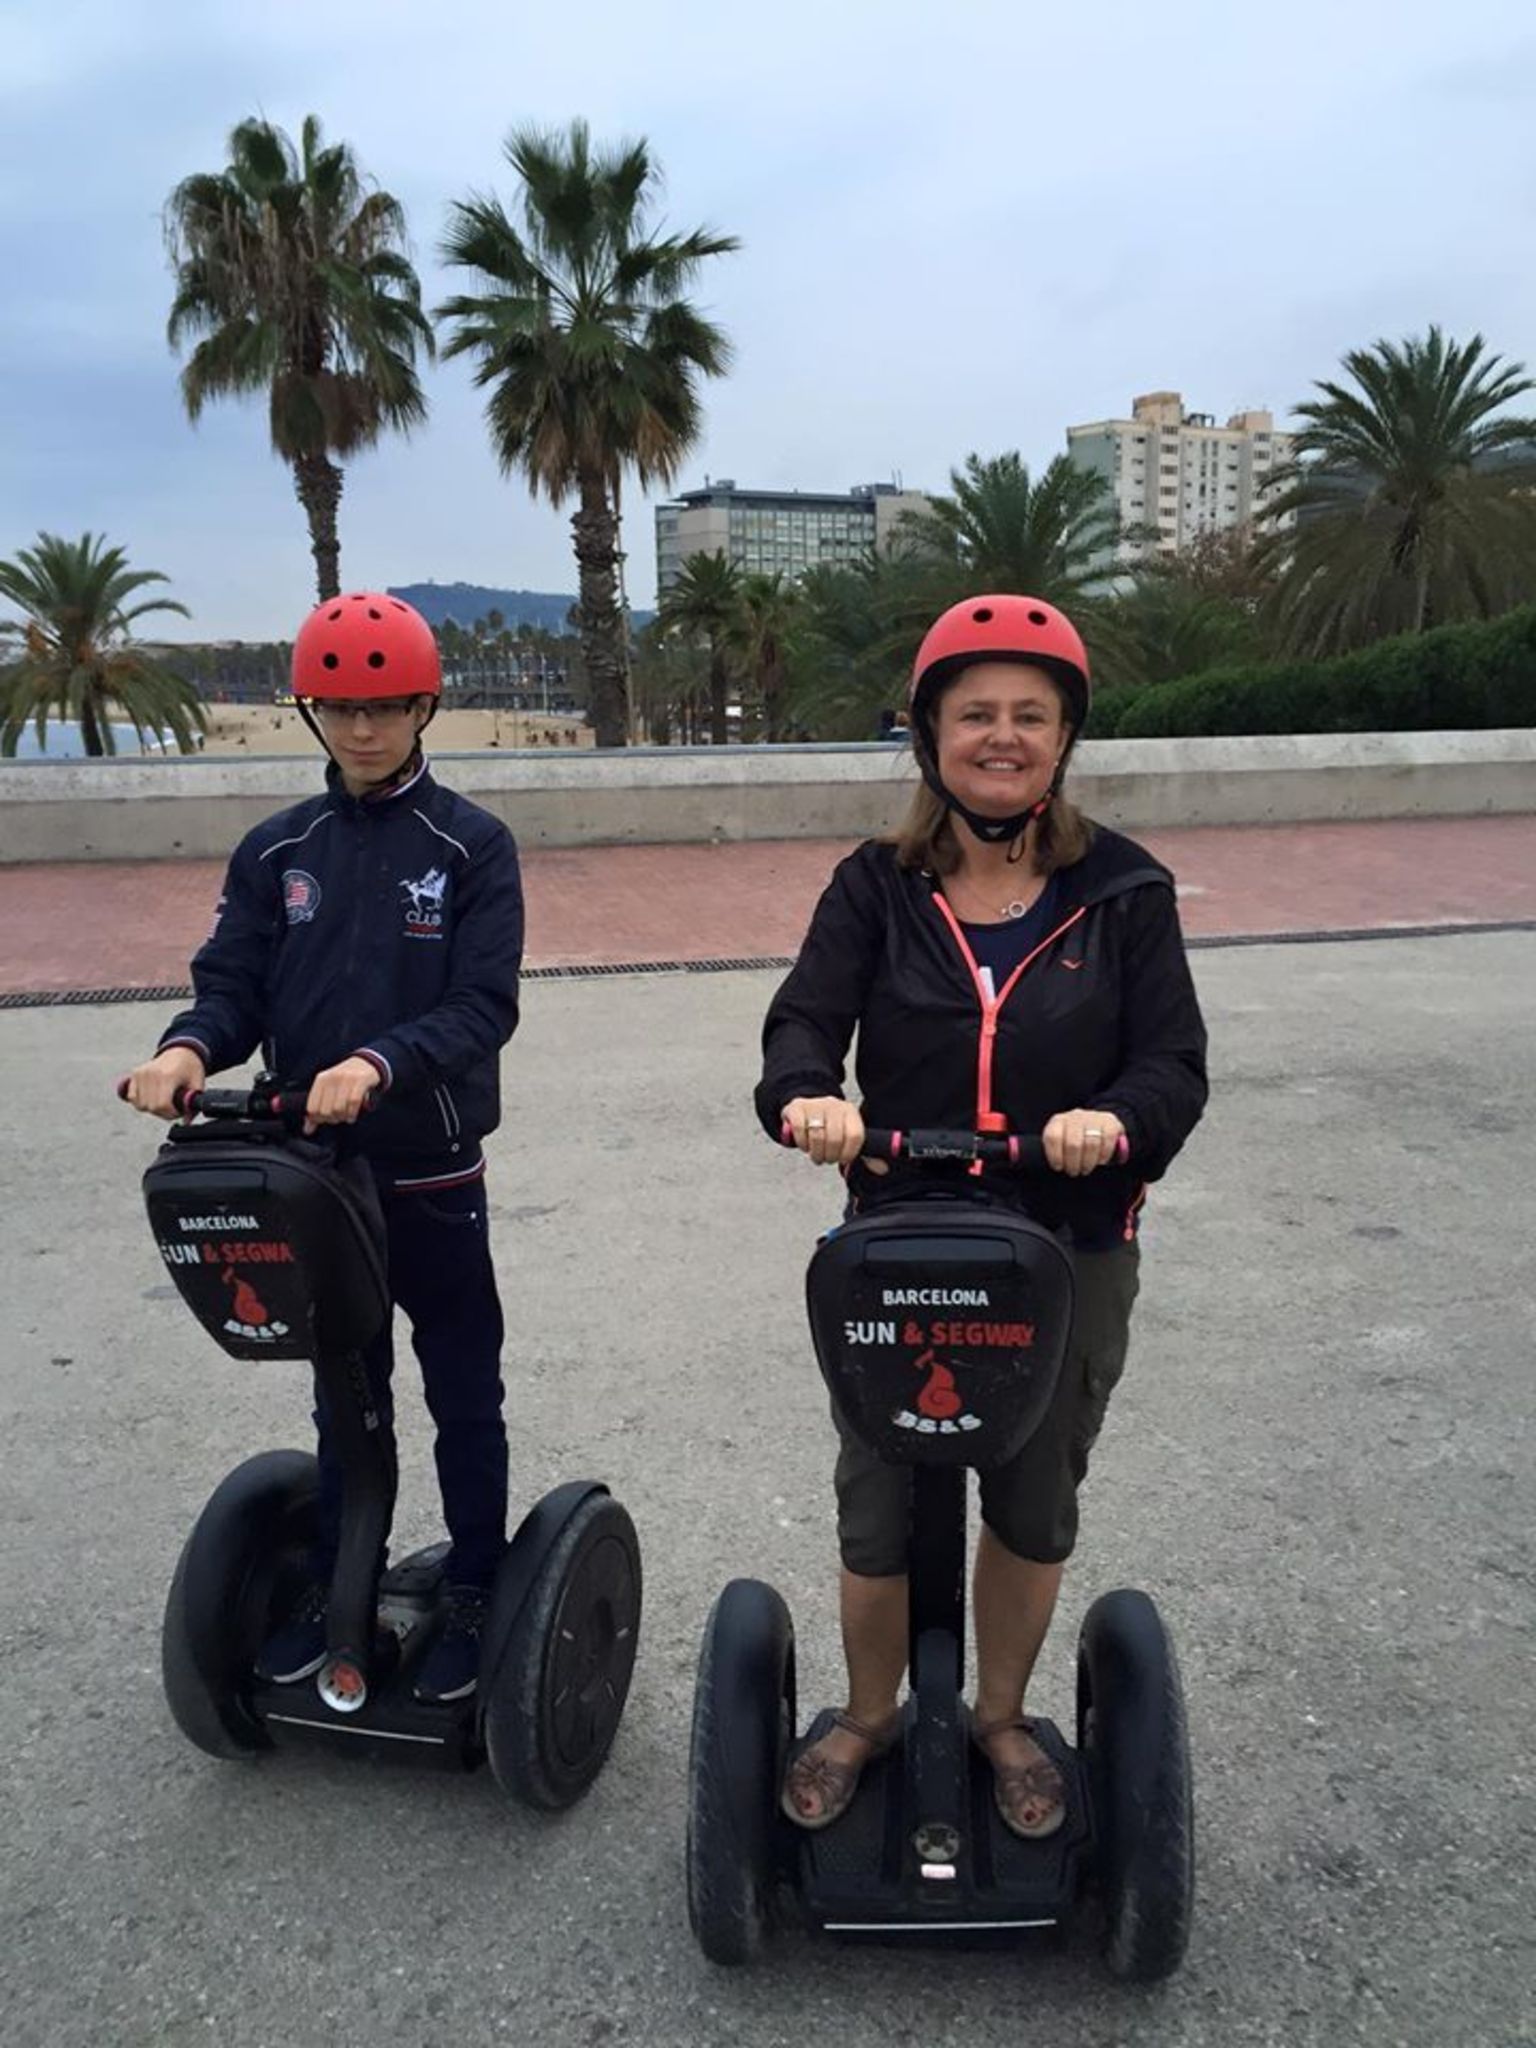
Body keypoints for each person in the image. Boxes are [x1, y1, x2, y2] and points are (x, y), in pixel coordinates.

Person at [756, 593, 1208, 1837]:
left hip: (1069, 1240)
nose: (1001, 736)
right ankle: (867, 1712)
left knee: (1030, 1490)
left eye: (1030, 715)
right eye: (975, 714)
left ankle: (1000, 1715)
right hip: (900, 1229)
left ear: (1064, 738)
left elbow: (1174, 1063)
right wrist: (806, 1096)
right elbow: (803, 1020)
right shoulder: (876, 885)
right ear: (929, 735)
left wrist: (1111, 1121)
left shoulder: (1123, 892)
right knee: (879, 1488)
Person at [123, 593, 523, 1705]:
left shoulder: (472, 845)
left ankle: (480, 1584)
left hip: (430, 1168)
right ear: (313, 711)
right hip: (312, 1173)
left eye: (385, 705)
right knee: (343, 1384)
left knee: (461, 1382)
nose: (363, 729)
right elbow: (232, 981)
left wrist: (383, 1062)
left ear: (423, 705)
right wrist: (187, 1047)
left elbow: (484, 1003)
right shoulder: (277, 848)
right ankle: (341, 1580)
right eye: (342, 707)